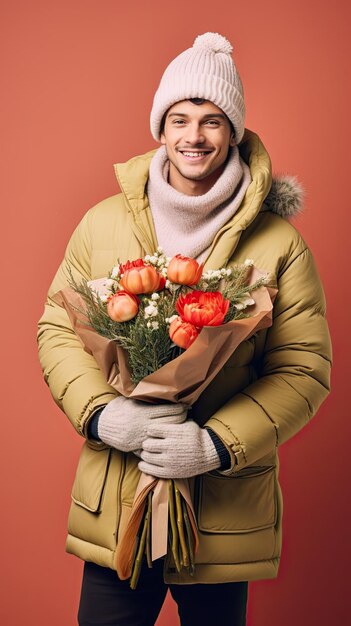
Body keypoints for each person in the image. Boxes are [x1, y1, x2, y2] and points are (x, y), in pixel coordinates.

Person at [37, 32, 332, 626]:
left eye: (212, 120)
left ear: (235, 132)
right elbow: (57, 329)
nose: (194, 136)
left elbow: (304, 370)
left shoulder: (280, 245)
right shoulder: (101, 223)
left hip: (220, 516)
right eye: (180, 118)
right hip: (120, 501)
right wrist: (101, 414)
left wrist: (216, 443)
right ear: (161, 128)